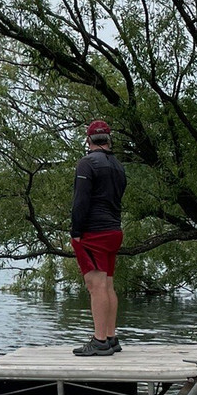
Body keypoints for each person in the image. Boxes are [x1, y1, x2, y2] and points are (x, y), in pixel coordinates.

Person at [70, 119, 127, 356]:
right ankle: (111, 337)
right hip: (114, 230)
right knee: (108, 284)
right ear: (109, 139)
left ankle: (99, 340)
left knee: (95, 285)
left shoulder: (87, 163)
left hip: (94, 232)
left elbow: (81, 201)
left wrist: (76, 232)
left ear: (88, 140)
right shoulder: (118, 166)